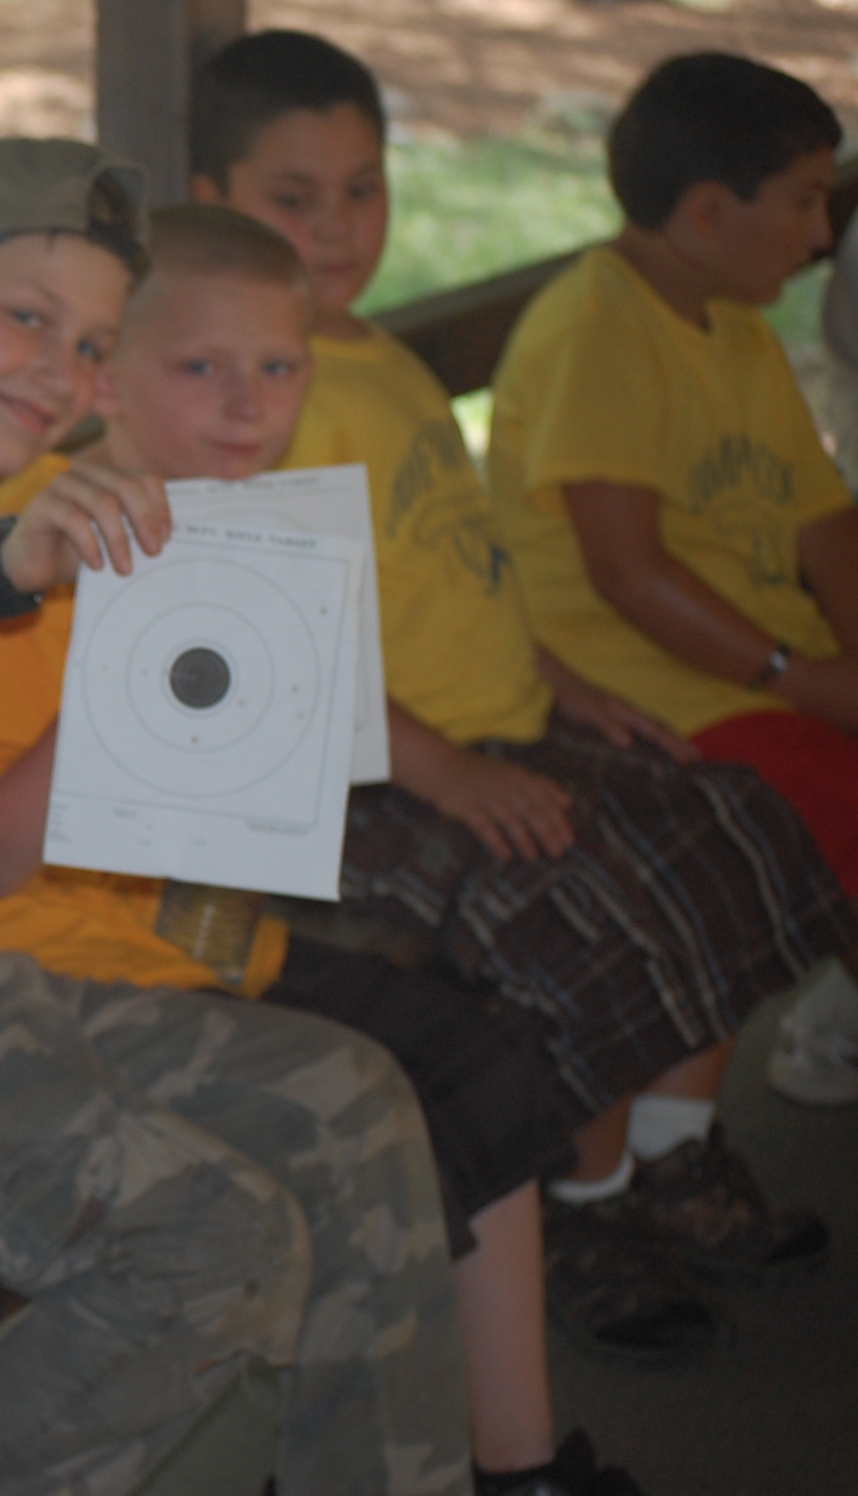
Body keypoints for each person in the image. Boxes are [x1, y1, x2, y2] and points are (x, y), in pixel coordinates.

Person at [0, 136, 472, 1496]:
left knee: (352, 1097)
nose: (60, 374)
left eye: (89, 346)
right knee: (225, 1247)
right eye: (27, 319)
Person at [0, 201, 654, 1496]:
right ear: (107, 378)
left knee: (480, 1067)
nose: (248, 405)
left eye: (279, 367)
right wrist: (126, 668)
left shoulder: (257, 529)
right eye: (200, 367)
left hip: (214, 937)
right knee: (366, 1115)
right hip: (58, 965)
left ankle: (519, 1466)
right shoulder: (28, 551)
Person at [181, 29, 846, 1316]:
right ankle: (580, 1209)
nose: (340, 226)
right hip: (367, 777)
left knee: (729, 819)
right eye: (294, 198)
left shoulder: (382, 360)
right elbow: (274, 655)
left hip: (496, 722)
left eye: (363, 188)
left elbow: (459, 564)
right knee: (575, 913)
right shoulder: (257, 399)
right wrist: (445, 767)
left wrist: (565, 683)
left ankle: (671, 1155)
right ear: (215, 201)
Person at [486, 51, 858, 1110]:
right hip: (656, 695)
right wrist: (805, 679)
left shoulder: (736, 327)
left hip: (756, 676)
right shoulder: (597, 328)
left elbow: (825, 522)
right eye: (804, 202)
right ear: (706, 213)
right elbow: (627, 571)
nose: (822, 235)